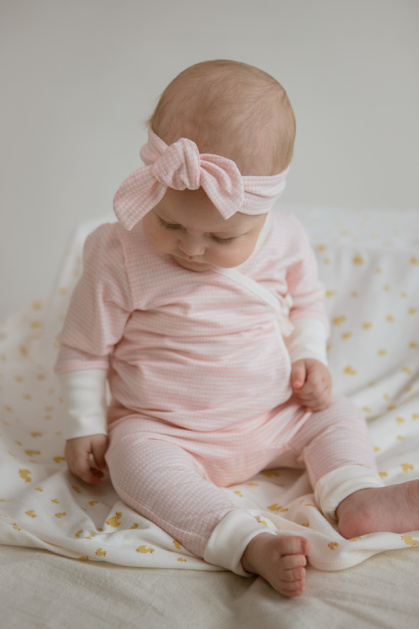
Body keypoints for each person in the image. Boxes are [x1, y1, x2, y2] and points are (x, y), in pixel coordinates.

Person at [55, 59, 419, 597]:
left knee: (335, 413)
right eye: (170, 222)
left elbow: (308, 304)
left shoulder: (285, 238)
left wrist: (310, 355)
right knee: (130, 459)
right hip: (166, 429)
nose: (191, 248)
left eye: (222, 238)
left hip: (274, 414)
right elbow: (84, 348)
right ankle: (244, 540)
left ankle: (356, 495)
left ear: (264, 210)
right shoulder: (120, 253)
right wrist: (84, 422)